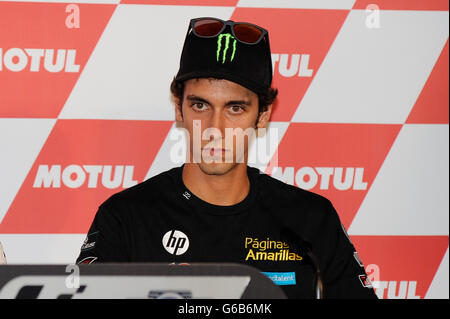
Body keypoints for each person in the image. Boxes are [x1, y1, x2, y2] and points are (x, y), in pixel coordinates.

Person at [76, 17, 377, 299]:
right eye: (200, 106)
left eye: (235, 108)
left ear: (262, 116)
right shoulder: (125, 218)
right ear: (179, 109)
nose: (214, 129)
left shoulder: (311, 218)